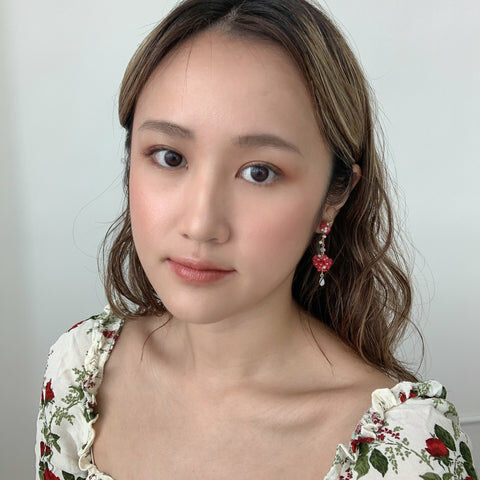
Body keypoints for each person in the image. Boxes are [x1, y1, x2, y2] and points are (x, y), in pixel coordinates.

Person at [34, 1, 478, 479]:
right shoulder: (79, 373)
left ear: (334, 196)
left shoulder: (405, 453)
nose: (201, 224)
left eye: (259, 172)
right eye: (169, 157)